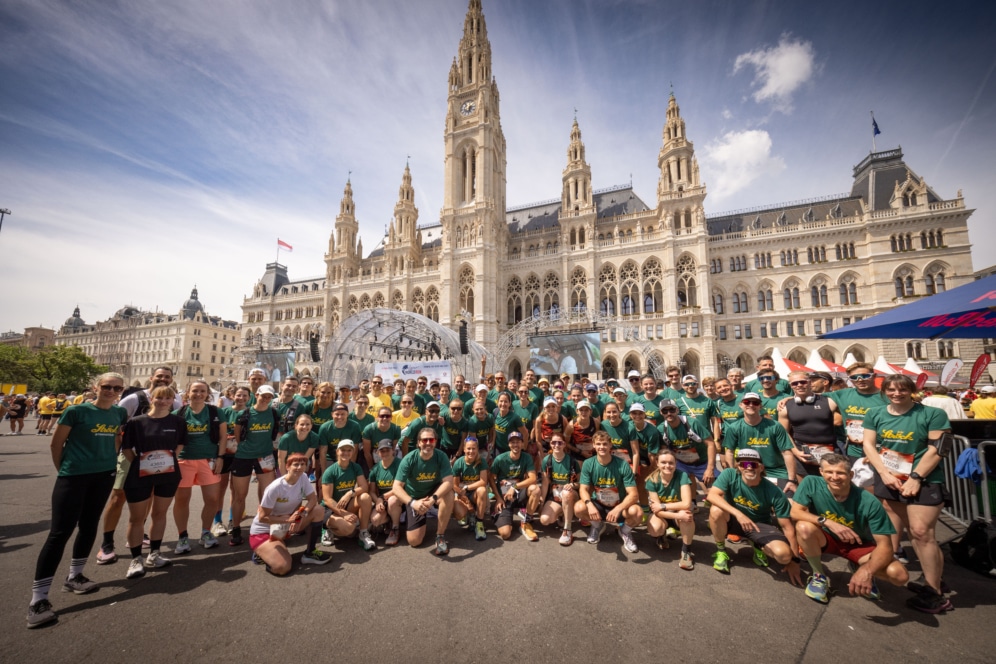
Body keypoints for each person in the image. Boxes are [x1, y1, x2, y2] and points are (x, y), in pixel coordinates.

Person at [26, 372, 128, 629]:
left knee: (89, 525)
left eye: (116, 387)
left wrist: (108, 463)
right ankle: (39, 598)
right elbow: (56, 444)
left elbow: (117, 438)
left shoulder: (118, 413)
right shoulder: (76, 411)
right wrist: (66, 470)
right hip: (73, 476)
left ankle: (76, 575)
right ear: (96, 387)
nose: (111, 390)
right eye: (106, 386)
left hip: (103, 475)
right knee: (59, 533)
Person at [862, 374, 952, 614]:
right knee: (912, 532)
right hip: (890, 479)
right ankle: (934, 579)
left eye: (902, 389)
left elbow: (939, 448)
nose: (896, 393)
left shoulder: (932, 414)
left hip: (924, 480)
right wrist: (883, 473)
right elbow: (869, 445)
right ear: (885, 391)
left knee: (923, 533)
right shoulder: (876, 414)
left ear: (911, 390)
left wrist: (916, 477)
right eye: (891, 389)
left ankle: (935, 593)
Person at [791, 454, 910, 604]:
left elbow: (886, 547)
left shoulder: (869, 501)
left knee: (899, 576)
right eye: (829, 472)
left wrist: (867, 571)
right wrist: (827, 522)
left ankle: (859, 566)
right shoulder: (811, 482)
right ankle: (818, 575)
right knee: (803, 527)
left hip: (859, 544)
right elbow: (795, 513)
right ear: (821, 472)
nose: (834, 477)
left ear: (851, 474)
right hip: (827, 539)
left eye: (840, 473)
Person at [97, 366, 181, 565]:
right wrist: (123, 454)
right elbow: (117, 426)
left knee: (149, 496)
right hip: (130, 456)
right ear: (151, 377)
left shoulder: (175, 400)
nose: (163, 379)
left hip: (158, 459)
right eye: (159, 376)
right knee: (118, 497)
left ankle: (140, 533)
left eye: (167, 377)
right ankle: (107, 542)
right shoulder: (134, 398)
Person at [706, 448, 802, 584]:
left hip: (758, 525)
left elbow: (787, 527)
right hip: (733, 519)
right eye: (744, 464)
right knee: (716, 510)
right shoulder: (729, 474)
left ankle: (758, 545)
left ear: (761, 467)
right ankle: (721, 550)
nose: (749, 468)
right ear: (738, 466)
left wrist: (795, 561)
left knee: (784, 556)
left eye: (754, 464)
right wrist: (738, 514)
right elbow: (712, 495)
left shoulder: (774, 491)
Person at [121, 386, 187, 579]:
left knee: (159, 513)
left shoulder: (178, 421)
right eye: (160, 398)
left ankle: (154, 553)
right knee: (137, 517)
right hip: (140, 473)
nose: (164, 401)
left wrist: (168, 459)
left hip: (167, 473)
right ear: (152, 398)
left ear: (173, 401)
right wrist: (142, 464)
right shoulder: (136, 422)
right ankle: (136, 559)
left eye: (168, 398)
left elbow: (181, 443)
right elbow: (126, 448)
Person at [249, 452, 331, 574]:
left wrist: (301, 514)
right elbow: (262, 518)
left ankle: (310, 553)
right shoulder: (275, 487)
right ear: (287, 467)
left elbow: (312, 499)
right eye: (295, 464)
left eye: (302, 464)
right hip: (263, 531)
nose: (299, 467)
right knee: (282, 567)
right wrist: (287, 520)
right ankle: (262, 554)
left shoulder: (303, 477)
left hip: (284, 526)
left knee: (318, 510)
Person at [172, 380, 227, 554]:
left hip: (208, 459)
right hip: (184, 460)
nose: (199, 394)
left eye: (203, 391)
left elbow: (223, 437)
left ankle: (206, 532)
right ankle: (182, 536)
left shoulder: (215, 412)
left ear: (207, 394)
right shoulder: (178, 413)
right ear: (188, 392)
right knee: (182, 500)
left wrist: (220, 457)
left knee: (212, 499)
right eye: (195, 391)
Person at [228, 385, 281, 547]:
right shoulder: (244, 413)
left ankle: (262, 524)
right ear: (256, 395)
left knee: (267, 494)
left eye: (269, 397)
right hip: (244, 457)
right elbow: (237, 435)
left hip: (265, 456)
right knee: (240, 495)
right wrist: (246, 448)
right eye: (263, 395)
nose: (265, 399)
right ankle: (236, 527)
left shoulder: (273, 413)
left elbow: (275, 431)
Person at [392, 427, 455, 554]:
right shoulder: (409, 459)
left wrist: (432, 500)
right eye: (424, 440)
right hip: (415, 497)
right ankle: (415, 516)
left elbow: (448, 482)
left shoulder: (441, 456)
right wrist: (413, 503)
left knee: (449, 494)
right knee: (414, 541)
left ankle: (440, 536)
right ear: (418, 442)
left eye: (431, 440)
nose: (428, 443)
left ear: (435, 442)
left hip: (433, 494)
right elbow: (396, 487)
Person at [576, 431, 642, 552]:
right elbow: (583, 489)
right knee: (579, 507)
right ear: (594, 445)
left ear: (610, 445)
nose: (602, 447)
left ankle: (625, 531)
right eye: (599, 444)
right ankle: (597, 526)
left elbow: (634, 494)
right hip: (599, 504)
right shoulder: (588, 463)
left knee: (637, 512)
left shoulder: (623, 464)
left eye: (605, 444)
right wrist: (589, 504)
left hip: (619, 506)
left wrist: (619, 508)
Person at [722, 392, 798, 494]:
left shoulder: (775, 426)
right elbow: (729, 452)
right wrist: (733, 476)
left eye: (755, 402)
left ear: (760, 406)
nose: (751, 405)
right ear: (741, 405)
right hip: (748, 469)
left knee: (789, 504)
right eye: (746, 402)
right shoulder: (734, 427)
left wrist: (791, 480)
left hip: (776, 471)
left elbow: (787, 453)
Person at [777, 371, 842, 476]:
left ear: (809, 382)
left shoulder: (829, 401)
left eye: (803, 382)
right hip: (802, 455)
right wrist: (796, 452)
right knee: (806, 489)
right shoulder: (785, 407)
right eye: (794, 383)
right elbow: (783, 433)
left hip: (830, 453)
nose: (799, 385)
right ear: (791, 386)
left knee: (833, 489)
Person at [321, 439, 376, 551]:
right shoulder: (330, 471)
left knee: (365, 497)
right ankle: (328, 528)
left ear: (353, 451)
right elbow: (327, 499)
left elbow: (364, 486)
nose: (346, 453)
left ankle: (363, 532)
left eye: (349, 450)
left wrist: (350, 493)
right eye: (343, 450)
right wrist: (343, 513)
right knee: (348, 529)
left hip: (347, 504)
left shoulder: (355, 467)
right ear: (337, 451)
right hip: (331, 509)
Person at [645, 449, 696, 569]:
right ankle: (661, 536)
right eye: (663, 462)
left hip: (676, 512)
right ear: (657, 463)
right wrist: (677, 515)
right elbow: (656, 511)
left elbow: (686, 503)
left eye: (671, 463)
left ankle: (686, 551)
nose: (667, 465)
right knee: (655, 529)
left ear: (675, 463)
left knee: (687, 515)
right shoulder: (651, 480)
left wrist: (664, 506)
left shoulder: (682, 475)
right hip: (663, 516)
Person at [657, 398, 716, 500]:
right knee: (682, 483)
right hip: (681, 463)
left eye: (672, 410)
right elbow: (664, 451)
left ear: (677, 410)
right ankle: (692, 504)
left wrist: (710, 468)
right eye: (665, 411)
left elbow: (710, 444)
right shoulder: (661, 429)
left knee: (716, 488)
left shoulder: (692, 423)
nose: (669, 413)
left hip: (702, 462)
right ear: (661, 413)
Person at [827, 363, 888, 460]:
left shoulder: (887, 397)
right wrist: (793, 398)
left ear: (874, 376)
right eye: (854, 377)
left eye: (865, 376)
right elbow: (815, 398)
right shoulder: (842, 394)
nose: (860, 379)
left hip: (881, 451)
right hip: (854, 451)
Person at [490, 430, 541, 541]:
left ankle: (525, 522)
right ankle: (497, 513)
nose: (515, 445)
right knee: (505, 534)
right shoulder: (500, 459)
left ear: (522, 444)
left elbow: (533, 478)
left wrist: (514, 487)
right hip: (504, 497)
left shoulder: (526, 457)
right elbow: (491, 478)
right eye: (512, 442)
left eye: (518, 442)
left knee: (535, 489)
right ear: (508, 444)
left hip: (518, 493)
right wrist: (498, 498)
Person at [538, 433, 580, 545]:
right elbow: (546, 482)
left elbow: (581, 483)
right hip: (556, 495)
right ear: (550, 444)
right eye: (553, 442)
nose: (557, 445)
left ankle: (568, 529)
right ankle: (562, 513)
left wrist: (572, 485)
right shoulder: (547, 460)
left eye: (560, 442)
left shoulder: (572, 461)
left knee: (566, 493)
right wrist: (542, 503)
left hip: (571, 494)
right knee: (545, 520)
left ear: (564, 444)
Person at [451, 436, 490, 541]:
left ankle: (479, 522)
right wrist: (466, 500)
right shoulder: (458, 463)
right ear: (464, 449)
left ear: (477, 449)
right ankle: (468, 514)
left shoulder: (481, 461)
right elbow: (454, 485)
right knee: (459, 513)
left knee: (482, 489)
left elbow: (483, 481)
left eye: (474, 448)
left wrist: (467, 487)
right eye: (468, 448)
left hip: (474, 492)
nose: (471, 451)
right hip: (461, 493)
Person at [368, 439, 403, 546]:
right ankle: (389, 521)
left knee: (392, 500)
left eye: (387, 450)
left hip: (399, 498)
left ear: (393, 450)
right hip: (383, 501)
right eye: (382, 451)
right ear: (377, 453)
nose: (385, 453)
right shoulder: (375, 469)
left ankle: (395, 528)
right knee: (375, 520)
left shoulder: (400, 464)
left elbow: (400, 487)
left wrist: (382, 498)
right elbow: (372, 491)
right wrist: (378, 501)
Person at [599, 402, 638, 477]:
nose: (611, 415)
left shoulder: (629, 428)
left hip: (626, 463)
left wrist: (634, 472)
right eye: (608, 412)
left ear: (619, 411)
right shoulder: (603, 425)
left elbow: (635, 452)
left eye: (614, 412)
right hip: (609, 463)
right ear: (605, 413)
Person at [568, 399, 598, 464]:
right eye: (581, 410)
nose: (584, 412)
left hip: (592, 453)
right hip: (577, 454)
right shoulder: (571, 425)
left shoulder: (595, 422)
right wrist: (581, 452)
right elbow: (566, 443)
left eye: (586, 410)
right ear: (577, 411)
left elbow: (597, 437)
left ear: (590, 411)